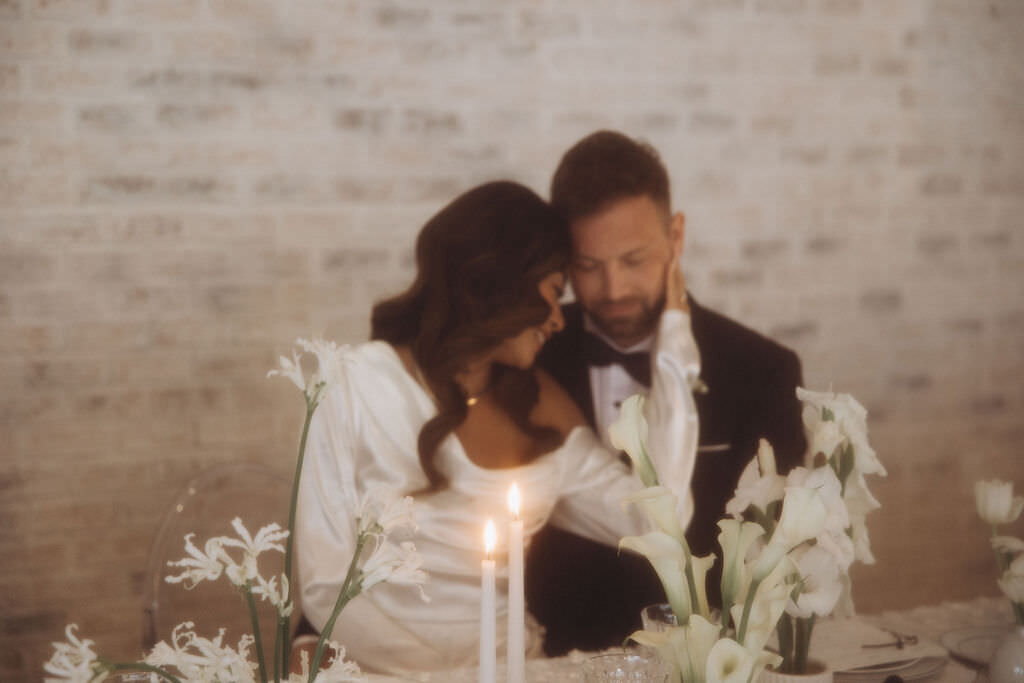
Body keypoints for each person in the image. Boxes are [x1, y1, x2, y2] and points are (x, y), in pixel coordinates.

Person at [294, 181, 702, 674]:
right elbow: (323, 582)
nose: (557, 320)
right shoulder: (353, 382)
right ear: (500, 283)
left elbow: (661, 518)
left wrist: (675, 336)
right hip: (383, 672)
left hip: (513, 670)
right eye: (553, 294)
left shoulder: (539, 403)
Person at [526, 130, 808, 655]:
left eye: (633, 259)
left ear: (675, 237)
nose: (612, 290)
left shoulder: (763, 370)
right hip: (557, 658)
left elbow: (774, 552)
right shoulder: (530, 360)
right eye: (587, 267)